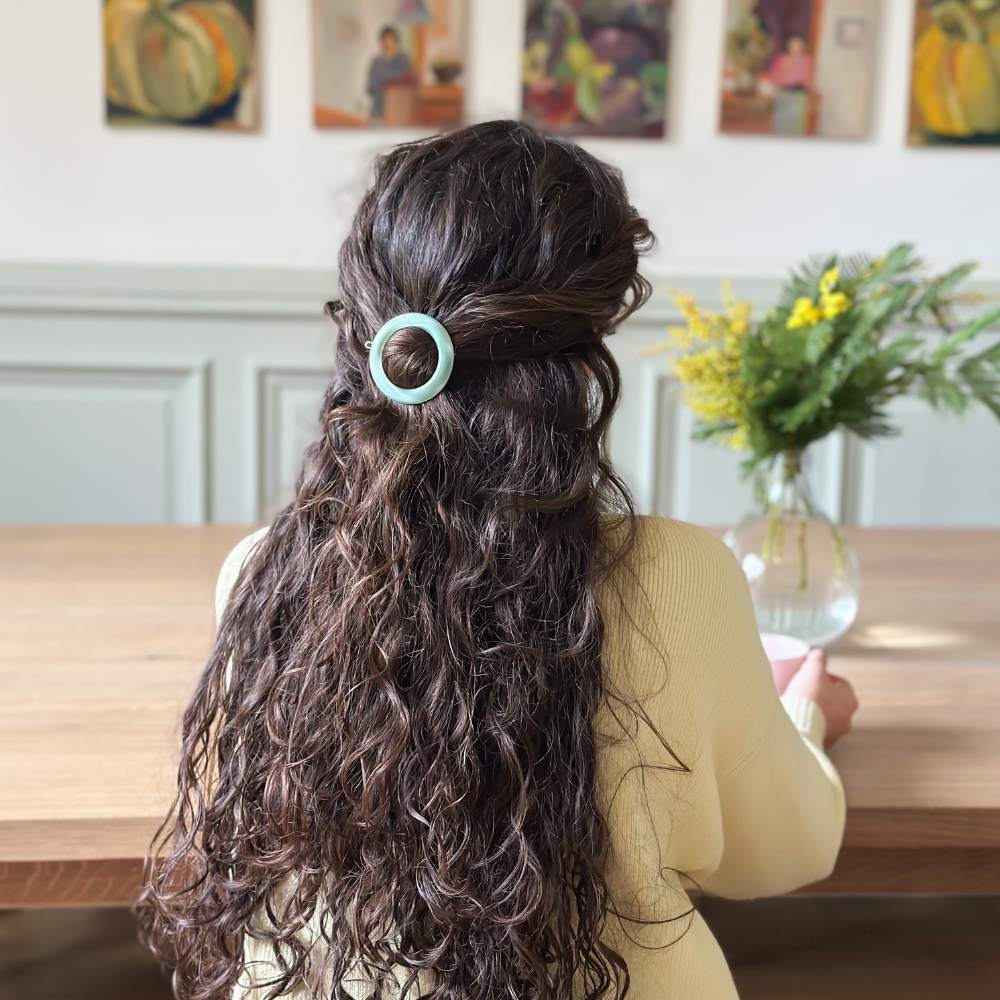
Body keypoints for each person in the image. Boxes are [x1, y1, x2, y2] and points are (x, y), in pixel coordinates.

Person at [139, 121, 857, 1000]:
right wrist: (806, 720)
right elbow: (782, 852)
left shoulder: (264, 575)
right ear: (588, 342)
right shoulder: (684, 580)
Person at [367, 26, 415, 122]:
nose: (388, 43)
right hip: (379, 110)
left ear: (396, 41)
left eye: (390, 40)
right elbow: (370, 88)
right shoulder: (377, 63)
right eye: (385, 41)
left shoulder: (403, 60)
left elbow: (410, 82)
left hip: (400, 111)